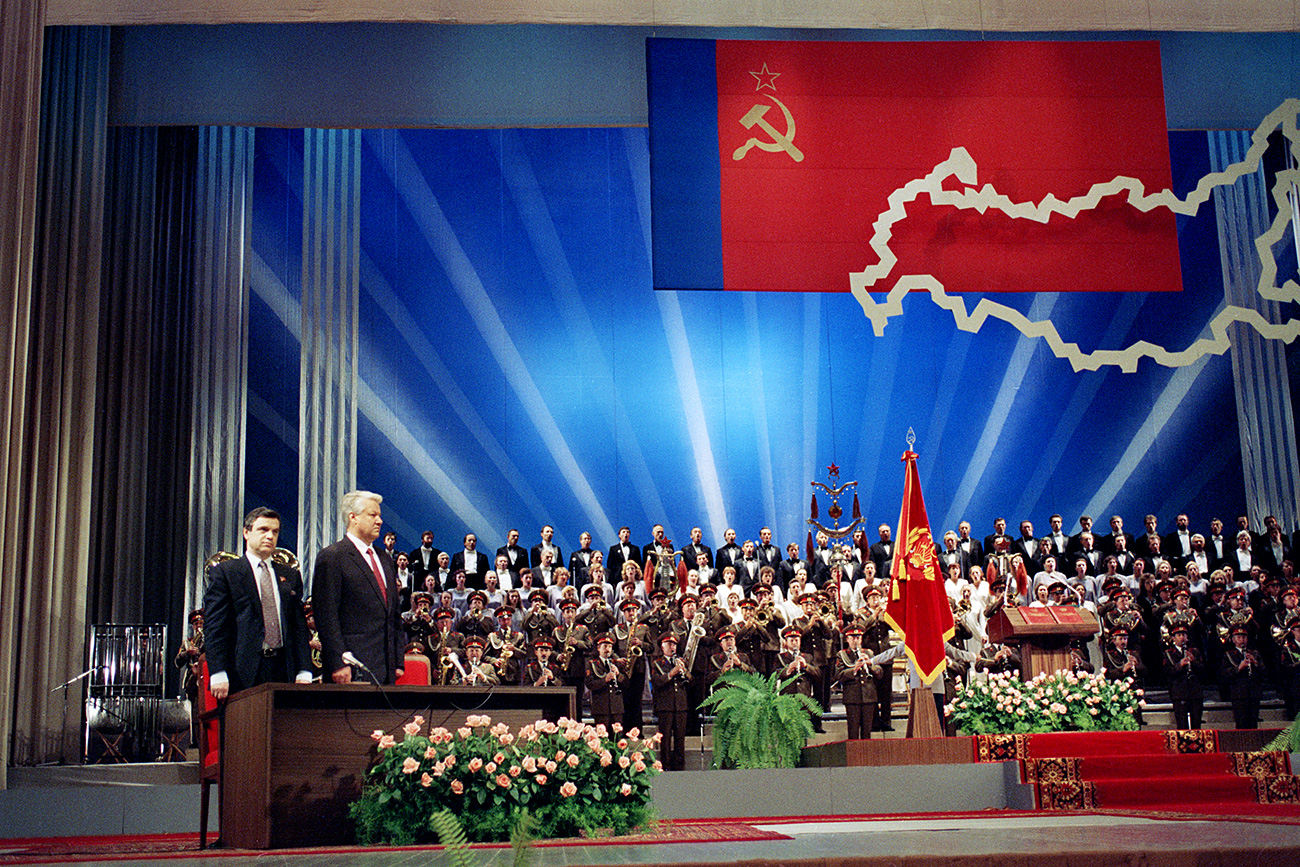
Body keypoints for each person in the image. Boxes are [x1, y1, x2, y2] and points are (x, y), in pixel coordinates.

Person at [203, 507, 313, 699]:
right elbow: (215, 627)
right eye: (263, 530)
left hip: (283, 668)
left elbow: (298, 627)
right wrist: (218, 672)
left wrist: (304, 669)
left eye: (275, 531)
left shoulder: (289, 575)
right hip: (241, 671)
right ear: (247, 532)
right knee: (243, 728)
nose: (270, 536)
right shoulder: (226, 572)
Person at [313, 491, 405, 685]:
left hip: (386, 669)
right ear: (353, 517)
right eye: (373, 515)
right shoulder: (332, 557)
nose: (379, 521)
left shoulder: (385, 559)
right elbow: (326, 616)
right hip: (351, 668)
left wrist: (397, 661)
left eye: (379, 515)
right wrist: (338, 661)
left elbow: (394, 614)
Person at [650, 632, 690, 771]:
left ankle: (680, 767)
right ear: (662, 647)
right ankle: (665, 767)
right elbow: (656, 682)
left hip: (680, 705)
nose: (672, 647)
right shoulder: (657, 663)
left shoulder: (681, 661)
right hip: (665, 706)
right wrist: (671, 674)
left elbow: (691, 683)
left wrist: (685, 671)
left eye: (674, 644)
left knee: (680, 739)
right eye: (668, 644)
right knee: (665, 739)